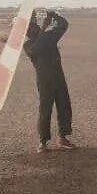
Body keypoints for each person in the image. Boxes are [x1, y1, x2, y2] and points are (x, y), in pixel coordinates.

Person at [24, 9, 74, 152]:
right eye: (32, 28)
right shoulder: (29, 45)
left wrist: (54, 15)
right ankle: (43, 142)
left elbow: (63, 25)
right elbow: (37, 49)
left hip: (58, 77)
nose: (34, 29)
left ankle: (63, 138)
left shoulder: (47, 37)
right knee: (45, 109)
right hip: (45, 80)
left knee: (64, 107)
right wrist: (44, 28)